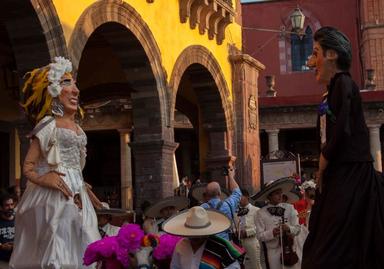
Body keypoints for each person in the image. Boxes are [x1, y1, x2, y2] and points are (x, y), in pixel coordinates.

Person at [302, 26, 384, 269]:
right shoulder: (330, 92)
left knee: (333, 248)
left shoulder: (344, 83)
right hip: (339, 177)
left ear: (332, 55)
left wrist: (324, 159)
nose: (310, 61)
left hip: (351, 174)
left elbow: (343, 126)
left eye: (316, 52)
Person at [10, 57, 102, 269]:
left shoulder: (78, 129)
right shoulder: (48, 125)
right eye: (67, 83)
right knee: (56, 247)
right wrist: (45, 178)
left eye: (75, 84)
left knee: (84, 240)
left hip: (77, 196)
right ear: (52, 91)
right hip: (51, 198)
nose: (76, 90)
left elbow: (75, 167)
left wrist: (84, 187)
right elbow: (28, 167)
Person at [165, 206, 244, 269]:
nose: (196, 237)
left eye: (199, 233)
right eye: (192, 233)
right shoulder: (180, 245)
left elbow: (234, 267)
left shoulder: (221, 247)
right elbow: (175, 267)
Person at [253, 178, 301, 269]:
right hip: (272, 253)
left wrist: (289, 228)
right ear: (269, 196)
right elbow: (259, 235)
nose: (280, 196)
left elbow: (298, 229)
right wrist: (272, 232)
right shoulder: (260, 213)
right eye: (276, 193)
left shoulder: (290, 208)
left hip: (290, 250)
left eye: (280, 193)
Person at [200, 167, 242, 240]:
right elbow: (237, 193)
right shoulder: (228, 204)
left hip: (209, 244)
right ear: (220, 193)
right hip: (225, 244)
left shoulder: (201, 208)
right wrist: (231, 177)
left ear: (206, 194)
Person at [234, 189, 262, 269]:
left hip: (252, 241)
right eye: (237, 197)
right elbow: (233, 226)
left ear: (247, 197)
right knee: (240, 265)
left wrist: (247, 232)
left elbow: (259, 227)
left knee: (256, 265)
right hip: (239, 242)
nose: (239, 199)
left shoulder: (256, 210)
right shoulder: (235, 212)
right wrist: (236, 232)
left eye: (241, 197)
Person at [0, 193, 15, 264]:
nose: (10, 207)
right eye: (7, 205)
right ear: (1, 207)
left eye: (12, 204)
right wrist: (1, 246)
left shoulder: (19, 220)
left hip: (17, 260)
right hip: (2, 261)